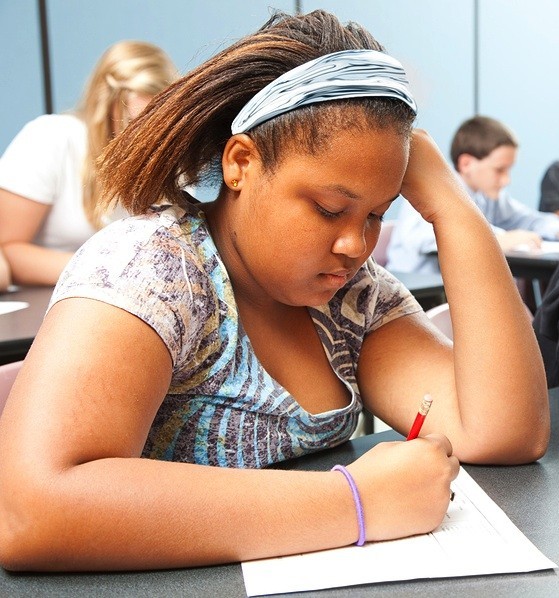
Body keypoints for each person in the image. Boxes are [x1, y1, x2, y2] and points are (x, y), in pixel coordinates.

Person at [0, 10, 549, 572]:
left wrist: (451, 208)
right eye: (330, 209)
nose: (354, 245)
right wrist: (355, 503)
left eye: (377, 215)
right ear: (241, 163)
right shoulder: (153, 270)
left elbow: (502, 433)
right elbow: (30, 512)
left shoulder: (349, 299)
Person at [0, 40, 178, 287]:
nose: (142, 137)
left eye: (154, 123)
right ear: (105, 108)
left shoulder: (171, 157)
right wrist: (109, 268)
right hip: (50, 302)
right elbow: (7, 251)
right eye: (131, 122)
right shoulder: (50, 137)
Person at [386, 115, 559, 273]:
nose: (506, 180)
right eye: (499, 170)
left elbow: (528, 220)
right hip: (423, 292)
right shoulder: (434, 191)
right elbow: (427, 239)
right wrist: (501, 239)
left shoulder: (488, 196)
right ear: (467, 164)